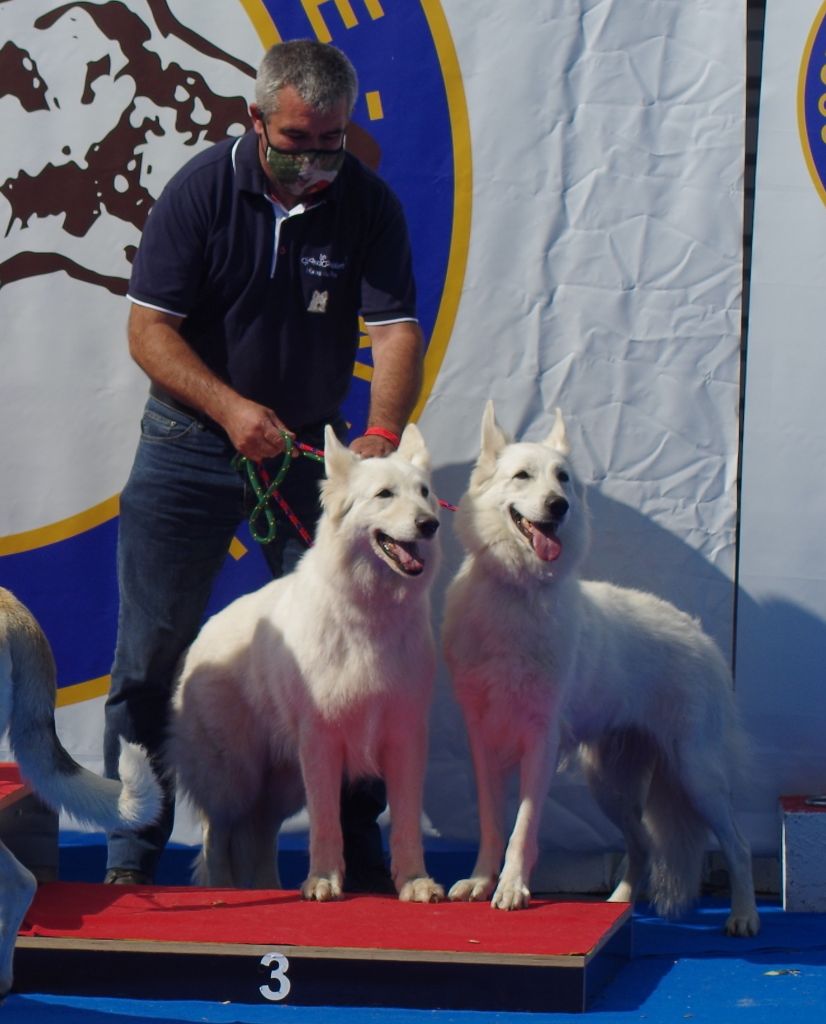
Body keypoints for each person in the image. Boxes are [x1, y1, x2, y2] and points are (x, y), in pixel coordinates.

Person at [103, 39, 425, 889]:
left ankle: (355, 852)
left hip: (307, 454)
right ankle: (133, 854)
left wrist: (381, 441)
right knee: (151, 654)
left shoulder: (369, 205)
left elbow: (394, 333)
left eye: (331, 143)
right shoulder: (202, 191)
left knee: (355, 651)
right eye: (295, 141)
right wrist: (228, 408)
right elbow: (149, 332)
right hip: (188, 444)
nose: (314, 159)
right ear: (255, 120)